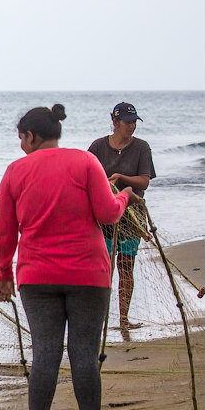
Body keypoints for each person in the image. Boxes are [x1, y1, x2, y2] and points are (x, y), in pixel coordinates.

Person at [0, 104, 141, 410]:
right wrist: (124, 196)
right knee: (84, 356)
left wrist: (4, 273)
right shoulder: (85, 162)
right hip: (89, 275)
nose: (21, 146)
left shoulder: (15, 171)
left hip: (36, 277)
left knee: (45, 354)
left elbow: (4, 231)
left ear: (31, 136)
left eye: (21, 139)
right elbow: (108, 213)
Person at [88, 102, 156, 335]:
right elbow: (85, 176)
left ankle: (124, 318)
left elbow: (144, 182)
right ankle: (100, 319)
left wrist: (121, 177)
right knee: (102, 268)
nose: (132, 126)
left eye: (134, 122)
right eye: (127, 122)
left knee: (126, 267)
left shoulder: (141, 148)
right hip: (104, 215)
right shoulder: (97, 147)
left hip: (132, 216)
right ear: (115, 121)